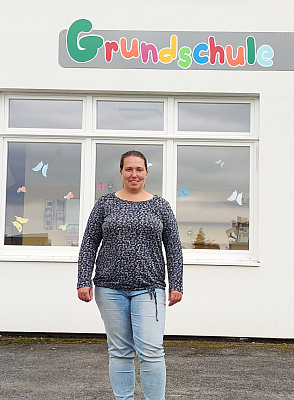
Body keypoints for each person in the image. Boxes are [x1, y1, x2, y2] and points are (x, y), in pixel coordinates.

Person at [77, 150, 183, 400]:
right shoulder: (105, 204)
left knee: (152, 351)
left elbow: (174, 247)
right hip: (109, 288)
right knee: (120, 351)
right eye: (129, 169)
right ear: (121, 172)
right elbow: (89, 243)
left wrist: (176, 283)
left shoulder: (160, 206)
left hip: (149, 288)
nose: (134, 174)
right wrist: (83, 280)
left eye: (139, 169)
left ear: (146, 172)